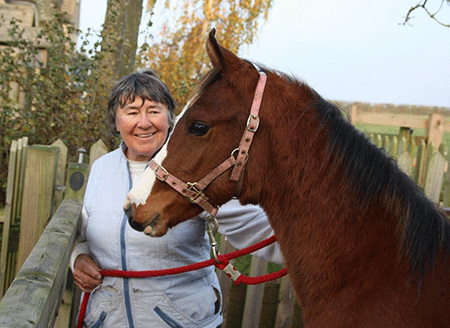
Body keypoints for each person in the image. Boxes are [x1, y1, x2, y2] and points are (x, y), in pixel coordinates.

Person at [71, 69, 283, 328]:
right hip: (107, 320)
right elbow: (83, 235)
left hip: (181, 321)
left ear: (171, 118)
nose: (144, 122)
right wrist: (78, 259)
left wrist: (319, 251)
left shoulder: (193, 169)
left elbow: (259, 231)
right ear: (116, 122)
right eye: (132, 112)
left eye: (153, 110)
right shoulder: (101, 169)